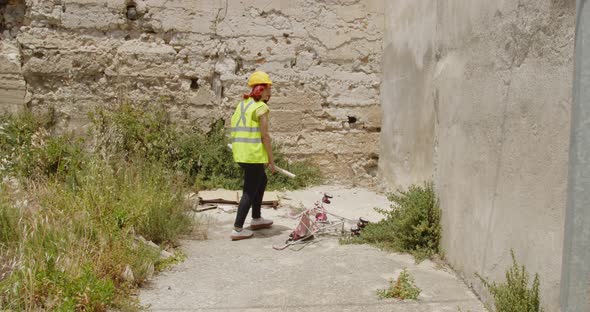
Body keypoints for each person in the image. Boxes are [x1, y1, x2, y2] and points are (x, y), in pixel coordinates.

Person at [229, 71, 276, 240]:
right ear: (261, 89)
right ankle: (237, 229)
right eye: (269, 88)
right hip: (253, 155)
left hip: (241, 153)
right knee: (249, 191)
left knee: (261, 181)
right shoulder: (261, 107)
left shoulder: (243, 104)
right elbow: (265, 136)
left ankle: (256, 218)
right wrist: (271, 161)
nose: (270, 92)